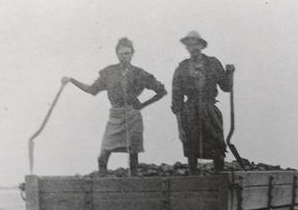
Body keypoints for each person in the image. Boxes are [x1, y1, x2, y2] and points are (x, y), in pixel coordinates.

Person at [62, 37, 167, 176]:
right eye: (122, 53)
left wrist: (143, 105)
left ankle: (134, 187)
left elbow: (161, 91)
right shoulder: (109, 73)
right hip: (115, 116)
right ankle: (103, 186)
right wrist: (71, 80)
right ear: (117, 54)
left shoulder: (139, 73)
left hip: (133, 116)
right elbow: (92, 90)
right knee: (103, 156)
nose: (125, 57)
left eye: (128, 53)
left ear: (132, 54)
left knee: (133, 156)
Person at [171, 31, 235, 174]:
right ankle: (193, 180)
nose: (192, 47)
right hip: (190, 112)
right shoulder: (181, 69)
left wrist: (229, 73)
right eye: (189, 44)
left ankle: (219, 178)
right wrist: (180, 127)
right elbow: (176, 101)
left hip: (209, 110)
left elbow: (226, 87)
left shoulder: (212, 63)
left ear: (201, 45)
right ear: (186, 47)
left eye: (195, 44)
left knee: (217, 145)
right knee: (191, 148)